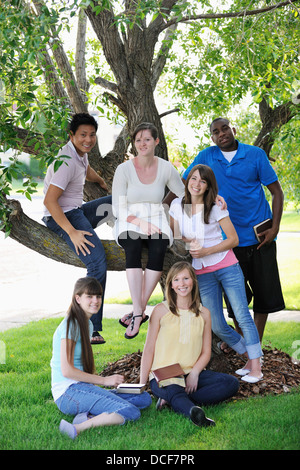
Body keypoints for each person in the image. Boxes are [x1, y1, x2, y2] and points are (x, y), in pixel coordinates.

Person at [168, 117, 285, 342]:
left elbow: (277, 192)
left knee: (264, 294)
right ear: (211, 137)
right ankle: (243, 342)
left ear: (233, 129)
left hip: (260, 237)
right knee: (235, 302)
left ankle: (255, 344)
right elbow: (184, 185)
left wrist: (275, 228)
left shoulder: (255, 154)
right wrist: (164, 208)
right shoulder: (206, 156)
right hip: (227, 243)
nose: (221, 134)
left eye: (225, 129)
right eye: (216, 132)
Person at [170, 164, 263, 382]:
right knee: (218, 324)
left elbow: (233, 239)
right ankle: (250, 356)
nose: (196, 184)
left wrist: (205, 250)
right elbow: (176, 235)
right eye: (193, 179)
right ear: (187, 181)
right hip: (202, 272)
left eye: (202, 181)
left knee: (241, 315)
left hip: (226, 265)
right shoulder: (176, 205)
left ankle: (257, 368)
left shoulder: (215, 206)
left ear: (208, 186)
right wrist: (189, 243)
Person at [140, 261, 239, 426]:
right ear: (171, 285)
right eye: (176, 280)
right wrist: (142, 384)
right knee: (173, 389)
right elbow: (149, 349)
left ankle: (172, 401)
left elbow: (206, 352)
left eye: (186, 278)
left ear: (193, 281)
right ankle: (193, 412)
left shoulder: (204, 314)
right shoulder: (160, 310)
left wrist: (194, 373)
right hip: (163, 374)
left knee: (231, 383)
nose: (182, 284)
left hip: (190, 373)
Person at [50, 277, 152, 439]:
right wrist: (104, 381)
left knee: (144, 398)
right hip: (68, 393)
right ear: (78, 298)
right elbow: (67, 370)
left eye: (98, 296)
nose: (95, 300)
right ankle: (78, 426)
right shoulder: (71, 325)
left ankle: (89, 412)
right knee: (131, 411)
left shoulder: (87, 324)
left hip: (82, 388)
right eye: (89, 296)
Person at [43, 113, 112, 344]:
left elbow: (87, 169)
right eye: (83, 135)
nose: (88, 139)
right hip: (63, 217)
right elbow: (50, 201)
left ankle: (134, 239)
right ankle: (89, 327)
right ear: (71, 135)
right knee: (97, 262)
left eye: (92, 135)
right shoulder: (67, 161)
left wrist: (100, 181)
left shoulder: (79, 154)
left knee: (116, 202)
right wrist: (72, 232)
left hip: (77, 210)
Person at [112, 122, 185, 339]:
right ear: (133, 144)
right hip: (129, 218)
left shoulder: (165, 167)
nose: (142, 143)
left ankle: (137, 311)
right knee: (132, 245)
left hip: (156, 217)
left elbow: (184, 193)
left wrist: (212, 197)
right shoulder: (123, 169)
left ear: (156, 141)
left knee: (159, 246)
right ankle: (139, 313)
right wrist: (140, 223)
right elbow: (117, 206)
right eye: (138, 140)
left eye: (146, 139)